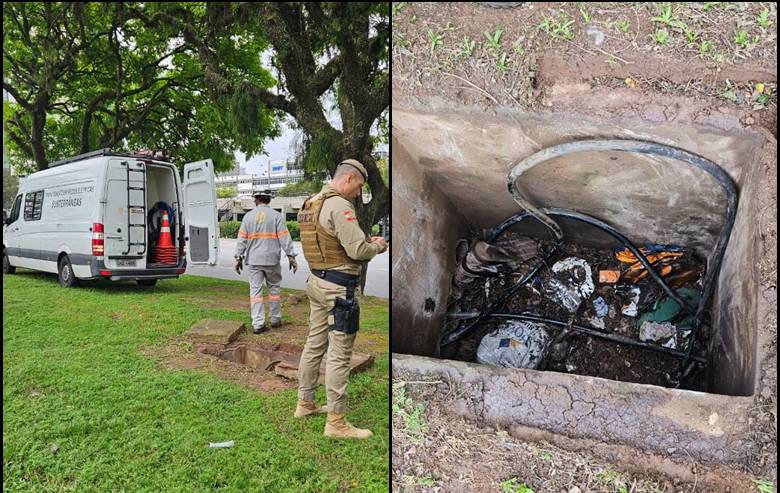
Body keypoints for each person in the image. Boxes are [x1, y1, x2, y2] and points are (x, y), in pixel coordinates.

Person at [294, 159, 388, 439]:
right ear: (348, 179)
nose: (359, 193)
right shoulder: (340, 206)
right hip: (338, 290)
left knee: (314, 344)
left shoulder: (311, 203)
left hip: (316, 282)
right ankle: (336, 422)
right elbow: (358, 250)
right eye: (359, 187)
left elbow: (330, 241)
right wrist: (378, 246)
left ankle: (305, 403)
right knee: (339, 354)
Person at [234, 190, 298, 334]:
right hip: (272, 259)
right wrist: (291, 256)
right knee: (274, 290)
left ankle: (258, 324)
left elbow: (242, 240)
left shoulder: (248, 217)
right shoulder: (276, 216)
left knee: (255, 291)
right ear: (269, 200)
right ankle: (275, 320)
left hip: (253, 260)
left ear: (256, 200)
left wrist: (238, 257)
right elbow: (284, 238)